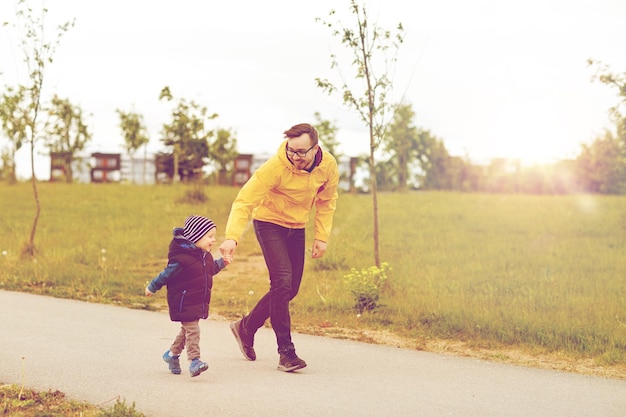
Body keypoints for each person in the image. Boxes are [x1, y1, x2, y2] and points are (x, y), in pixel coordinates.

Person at [219, 123, 339, 372]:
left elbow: (327, 201)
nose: (295, 157)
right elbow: (244, 201)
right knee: (282, 282)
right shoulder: (275, 167)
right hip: (269, 223)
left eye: (301, 152)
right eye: (292, 151)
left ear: (315, 148)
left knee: (290, 289)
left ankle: (246, 327)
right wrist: (232, 237)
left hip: (296, 226)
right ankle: (286, 353)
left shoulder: (328, 165)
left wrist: (321, 236)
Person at [145, 215, 230, 377]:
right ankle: (194, 360)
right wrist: (152, 286)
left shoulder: (205, 255)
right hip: (183, 301)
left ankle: (171, 355)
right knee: (193, 330)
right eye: (210, 236)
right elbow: (166, 275)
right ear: (196, 237)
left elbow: (210, 270)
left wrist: (222, 263)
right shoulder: (181, 259)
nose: (213, 240)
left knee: (186, 331)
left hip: (196, 301)